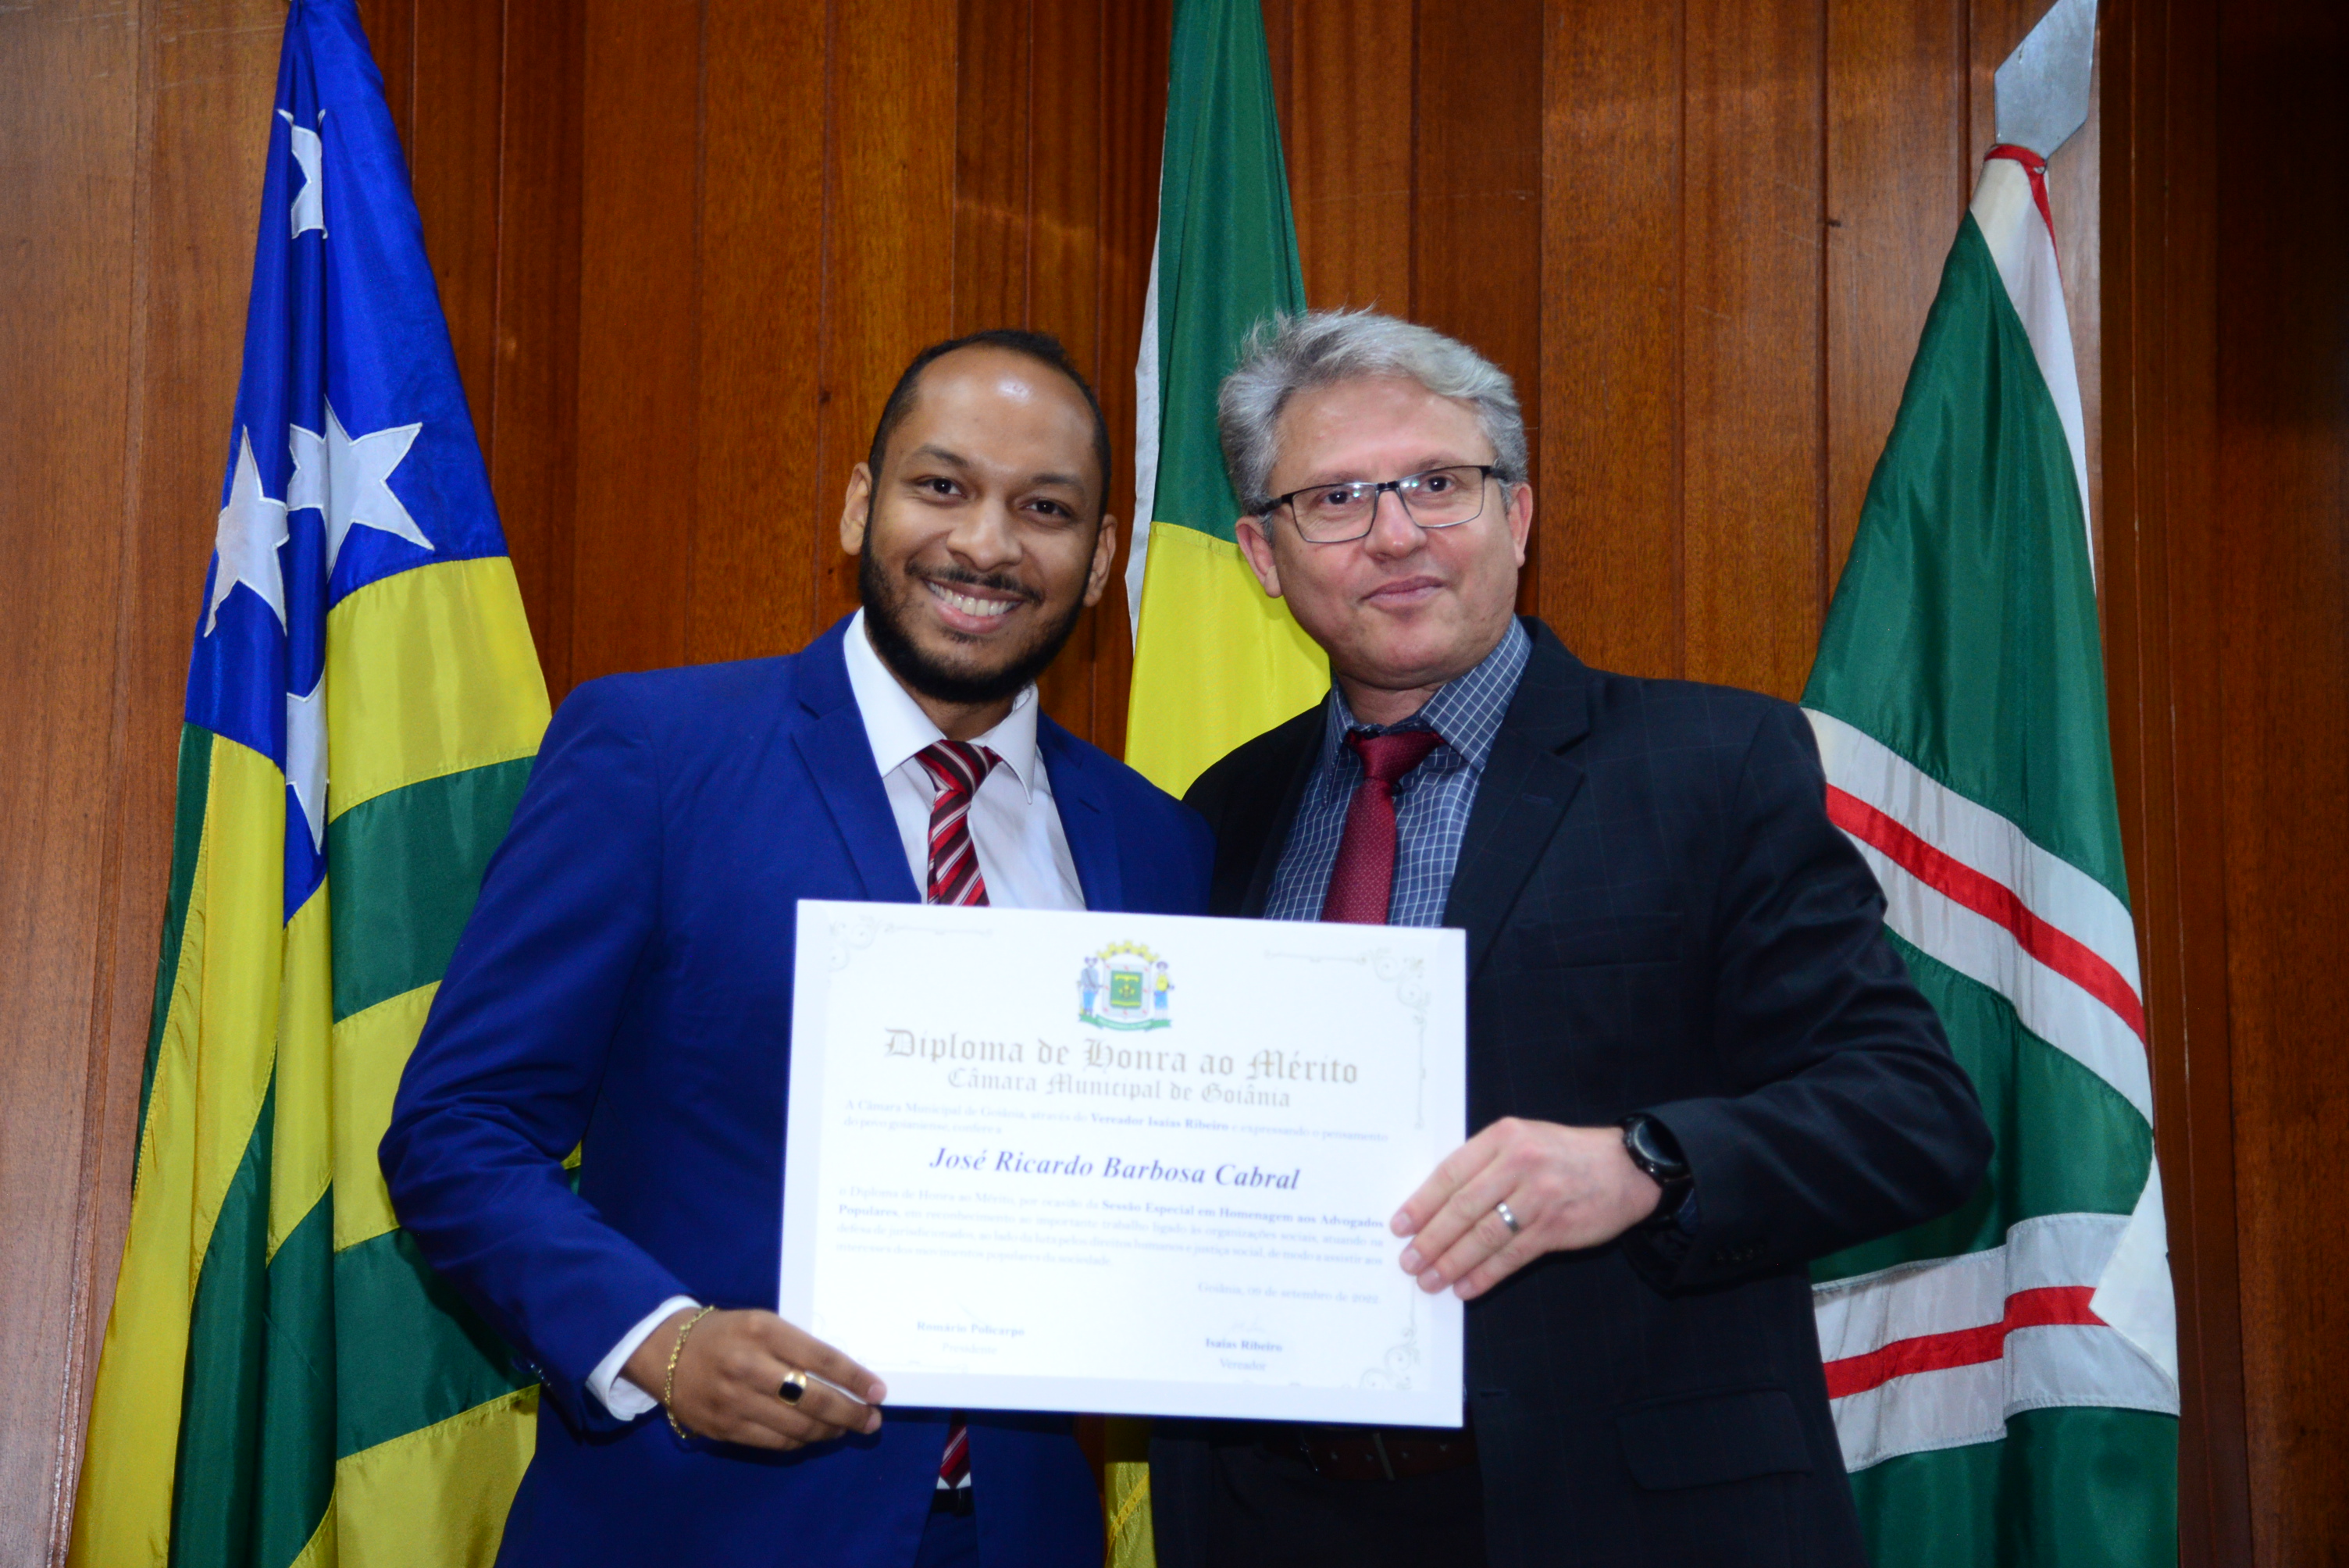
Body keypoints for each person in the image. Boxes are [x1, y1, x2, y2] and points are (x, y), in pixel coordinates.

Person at [1148, 310, 1992, 1568]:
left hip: (1626, 1515)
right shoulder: (1221, 813)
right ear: (1264, 556)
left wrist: (1645, 1163)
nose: (1396, 533)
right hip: (1278, 1517)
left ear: (1518, 515)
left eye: (1439, 484)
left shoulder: (1712, 764)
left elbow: (1918, 1119)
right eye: (1336, 499)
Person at [383, 329, 1214, 1567]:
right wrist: (661, 1344)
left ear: (1098, 562)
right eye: (943, 486)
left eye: (1044, 509)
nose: (987, 544)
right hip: (689, 1523)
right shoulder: (654, 754)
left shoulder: (1157, 842)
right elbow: (458, 1129)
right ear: (860, 505)